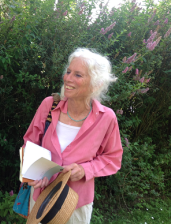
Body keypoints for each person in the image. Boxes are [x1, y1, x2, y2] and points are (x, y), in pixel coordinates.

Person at [23, 48, 123, 224]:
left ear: (96, 83)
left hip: (76, 201)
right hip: (42, 196)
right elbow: (30, 142)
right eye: (68, 71)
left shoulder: (106, 118)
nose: (68, 78)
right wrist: (35, 172)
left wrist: (86, 170)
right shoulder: (49, 105)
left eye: (78, 75)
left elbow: (113, 158)